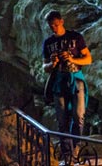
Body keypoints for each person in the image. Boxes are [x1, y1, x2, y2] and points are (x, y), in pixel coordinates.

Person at [42, 10, 93, 163]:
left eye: (56, 25)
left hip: (75, 78)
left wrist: (72, 58)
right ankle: (67, 156)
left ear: (62, 22)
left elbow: (88, 59)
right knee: (62, 120)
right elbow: (44, 67)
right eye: (51, 26)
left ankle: (75, 151)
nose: (54, 28)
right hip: (59, 81)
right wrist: (53, 63)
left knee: (78, 116)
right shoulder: (48, 43)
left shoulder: (75, 37)